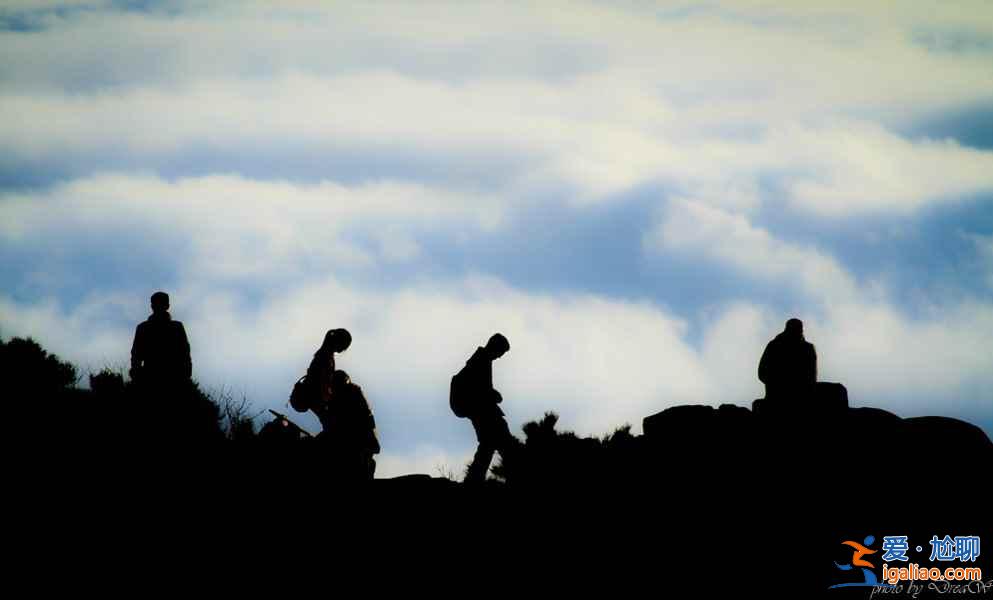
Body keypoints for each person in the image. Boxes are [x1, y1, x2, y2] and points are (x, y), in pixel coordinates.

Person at [454, 333, 517, 485]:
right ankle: (515, 473)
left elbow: (483, 388)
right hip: (481, 410)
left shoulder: (482, 359)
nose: (500, 356)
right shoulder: (481, 360)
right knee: (498, 441)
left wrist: (492, 394)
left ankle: (475, 479)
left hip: (480, 409)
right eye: (501, 352)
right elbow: (480, 389)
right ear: (495, 347)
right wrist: (494, 395)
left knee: (489, 443)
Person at [315, 370, 380, 480]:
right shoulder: (352, 393)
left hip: (355, 443)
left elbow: (334, 424)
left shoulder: (344, 396)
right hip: (361, 442)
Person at [130, 291, 192, 391]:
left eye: (160, 303)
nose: (157, 306)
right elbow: (136, 355)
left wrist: (186, 375)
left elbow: (185, 353)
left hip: (173, 378)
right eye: (156, 303)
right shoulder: (143, 328)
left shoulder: (176, 327)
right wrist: (136, 375)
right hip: (151, 378)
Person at [758, 318, 817, 401]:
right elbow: (762, 372)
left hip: (801, 395)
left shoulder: (808, 348)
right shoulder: (774, 346)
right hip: (776, 395)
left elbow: (812, 376)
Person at [296, 328, 352, 413]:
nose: (344, 349)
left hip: (315, 397)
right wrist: (327, 404)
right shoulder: (326, 357)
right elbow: (323, 382)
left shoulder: (324, 353)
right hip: (315, 397)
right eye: (345, 345)